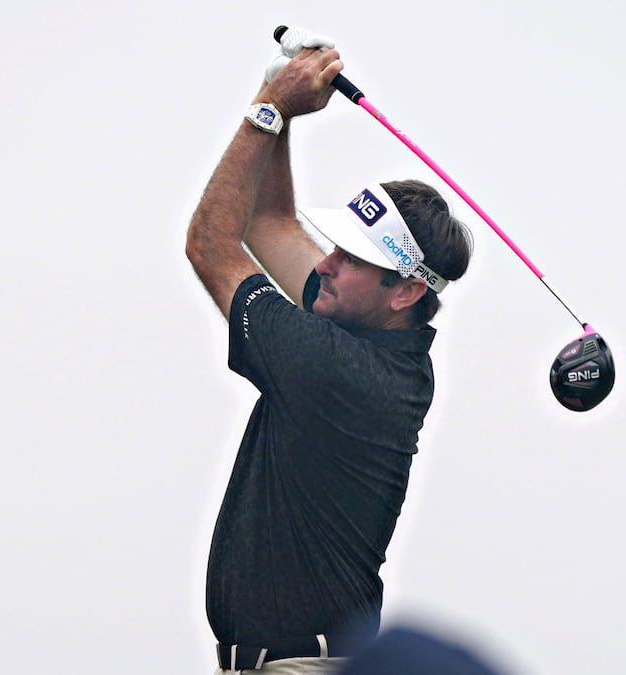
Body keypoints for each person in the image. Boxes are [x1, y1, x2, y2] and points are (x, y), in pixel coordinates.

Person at [185, 29, 473, 674]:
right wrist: (286, 116)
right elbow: (270, 225)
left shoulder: (340, 370)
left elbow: (212, 245)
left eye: (353, 258)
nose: (328, 264)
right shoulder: (364, 324)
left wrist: (266, 107)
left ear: (403, 291)